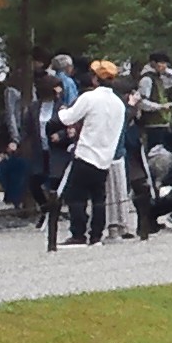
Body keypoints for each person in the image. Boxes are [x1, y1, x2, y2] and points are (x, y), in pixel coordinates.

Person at [53, 58, 128, 248]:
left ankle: (78, 234)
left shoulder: (90, 98)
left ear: (95, 79)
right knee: (98, 197)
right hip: (106, 156)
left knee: (75, 196)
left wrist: (62, 110)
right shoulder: (119, 104)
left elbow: (68, 117)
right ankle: (96, 234)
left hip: (86, 153)